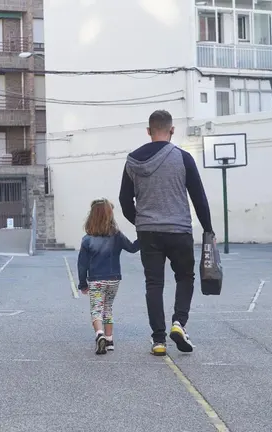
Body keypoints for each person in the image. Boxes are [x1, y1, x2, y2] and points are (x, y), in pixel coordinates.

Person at [118, 110, 214, 357]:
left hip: (149, 232)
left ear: (149, 131)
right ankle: (179, 323)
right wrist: (208, 229)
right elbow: (199, 198)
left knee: (154, 284)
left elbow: (124, 199)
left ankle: (158, 340)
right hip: (179, 230)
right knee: (185, 277)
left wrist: (139, 221)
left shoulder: (132, 161)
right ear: (172, 130)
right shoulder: (183, 158)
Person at [77, 199, 140, 355]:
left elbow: (82, 264)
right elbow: (132, 248)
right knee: (108, 308)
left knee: (96, 309)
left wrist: (82, 283)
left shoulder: (87, 240)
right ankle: (110, 339)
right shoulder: (116, 236)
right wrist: (144, 237)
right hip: (113, 279)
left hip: (96, 280)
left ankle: (99, 335)